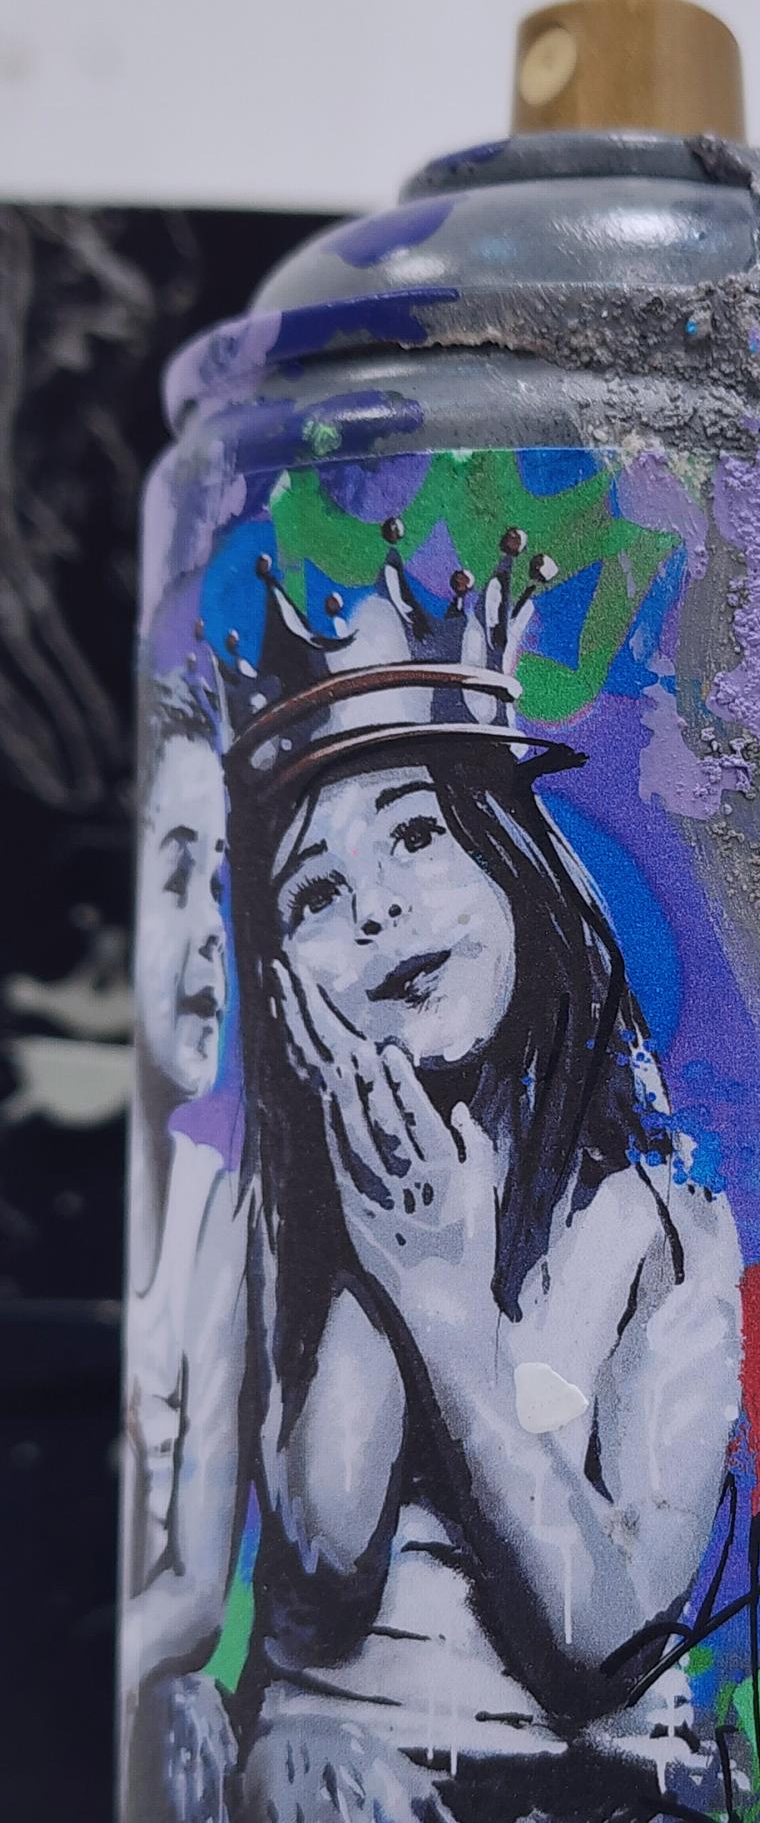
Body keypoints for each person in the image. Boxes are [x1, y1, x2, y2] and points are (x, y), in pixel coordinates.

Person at [227, 725, 742, 1823]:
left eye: (417, 834)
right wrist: (383, 1248)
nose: (377, 911)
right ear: (282, 987)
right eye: (314, 893)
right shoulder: (290, 1226)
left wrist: (446, 1312)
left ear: (514, 860)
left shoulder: (657, 1225)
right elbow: (326, 1549)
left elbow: (614, 1643)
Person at [122, 670, 251, 1823]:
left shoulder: (215, 1214)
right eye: (175, 879)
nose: (213, 929)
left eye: (219, 882)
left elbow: (199, 1588)